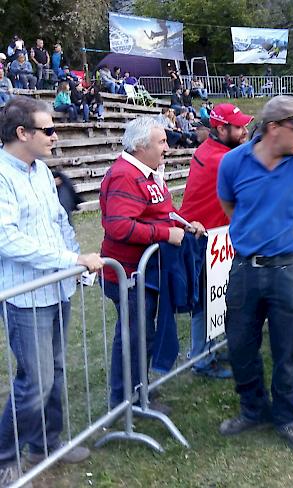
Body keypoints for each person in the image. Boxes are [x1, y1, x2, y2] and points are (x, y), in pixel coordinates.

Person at [217, 96, 293, 451]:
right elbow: (230, 205)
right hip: (244, 269)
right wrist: (252, 233)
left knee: (289, 348)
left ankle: (286, 417)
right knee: (240, 345)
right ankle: (252, 409)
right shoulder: (232, 163)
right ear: (273, 128)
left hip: (290, 270)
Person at [0, 96, 104, 485]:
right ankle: (4, 455)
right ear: (22, 132)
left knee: (56, 372)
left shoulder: (41, 171)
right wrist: (66, 259)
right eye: (48, 130)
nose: (56, 136)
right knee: (35, 381)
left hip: (55, 290)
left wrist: (74, 259)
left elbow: (60, 219)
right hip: (24, 295)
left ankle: (46, 443)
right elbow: (6, 239)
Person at [100, 117, 205, 412]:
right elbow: (119, 226)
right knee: (134, 336)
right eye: (161, 142)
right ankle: (126, 402)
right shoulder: (124, 175)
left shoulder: (148, 173)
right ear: (140, 145)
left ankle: (138, 392)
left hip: (145, 272)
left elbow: (164, 212)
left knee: (143, 335)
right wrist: (165, 234)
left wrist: (185, 225)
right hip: (128, 274)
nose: (168, 148)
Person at [180, 103, 255, 379]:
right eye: (239, 127)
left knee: (216, 297)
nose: (245, 130)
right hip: (202, 238)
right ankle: (201, 358)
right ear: (221, 128)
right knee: (203, 303)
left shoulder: (217, 151)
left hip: (214, 237)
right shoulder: (221, 159)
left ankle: (209, 348)